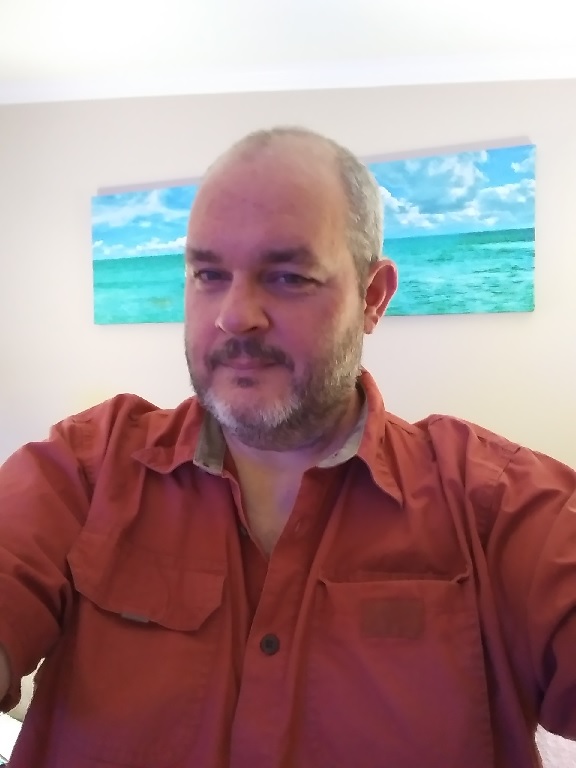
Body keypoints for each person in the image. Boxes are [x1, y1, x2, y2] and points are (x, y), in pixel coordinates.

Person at [0, 126, 575, 768]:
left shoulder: (494, 504)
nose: (234, 314)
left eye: (287, 276)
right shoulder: (89, 469)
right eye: (208, 273)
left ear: (373, 298)